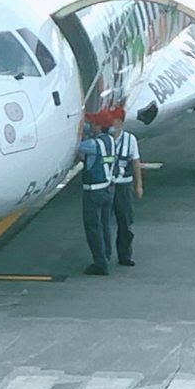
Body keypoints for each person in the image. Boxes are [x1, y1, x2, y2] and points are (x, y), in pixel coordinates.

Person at [75, 114, 119, 275]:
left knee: (93, 228)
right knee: (105, 225)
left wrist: (79, 127)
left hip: (93, 191)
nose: (91, 125)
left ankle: (100, 263)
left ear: (99, 126)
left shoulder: (93, 145)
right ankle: (106, 254)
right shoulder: (110, 142)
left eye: (93, 123)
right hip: (108, 188)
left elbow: (75, 145)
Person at [107, 112, 143, 267]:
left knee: (125, 221)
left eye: (115, 123)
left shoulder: (130, 140)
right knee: (103, 222)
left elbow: (135, 163)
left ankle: (125, 254)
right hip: (106, 185)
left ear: (121, 123)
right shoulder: (103, 139)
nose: (112, 127)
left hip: (123, 186)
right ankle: (104, 255)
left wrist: (138, 185)